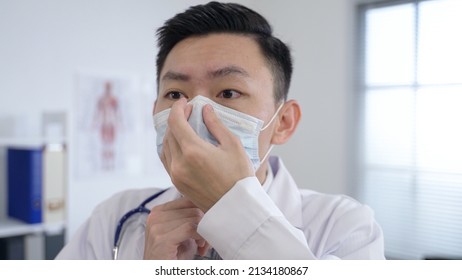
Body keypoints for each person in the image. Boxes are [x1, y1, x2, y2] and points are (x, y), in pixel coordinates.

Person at [56, 1, 385, 260]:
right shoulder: (114, 220)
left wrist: (234, 209)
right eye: (175, 94)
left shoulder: (345, 226)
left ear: (283, 122)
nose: (195, 113)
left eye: (228, 93)